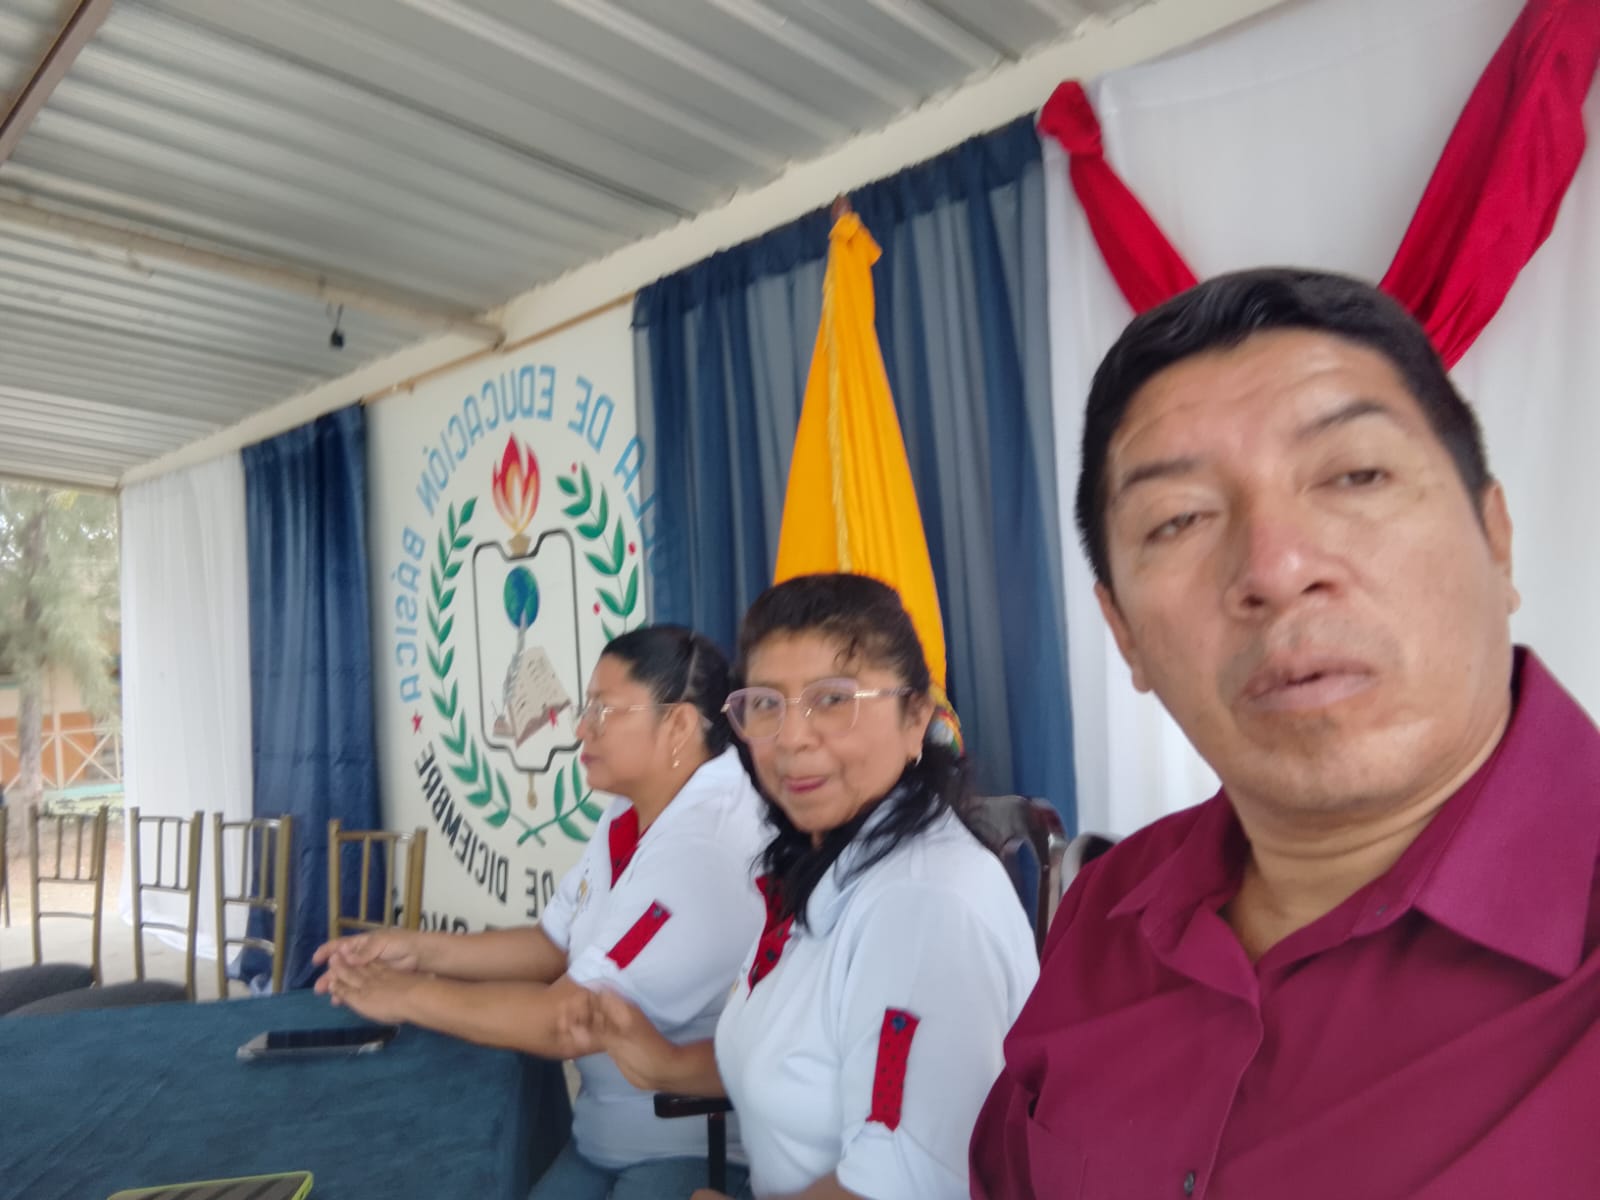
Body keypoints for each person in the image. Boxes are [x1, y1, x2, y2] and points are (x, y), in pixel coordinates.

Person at [970, 268, 1600, 1199]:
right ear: (1124, 633)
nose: (1275, 567)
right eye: (1179, 519)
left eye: (1355, 474)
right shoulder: (1107, 910)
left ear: (1494, 536)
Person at [570, 573, 1039, 1200]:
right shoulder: (822, 862)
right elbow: (807, 1056)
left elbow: (902, 1185)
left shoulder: (922, 906)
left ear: (915, 719)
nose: (791, 737)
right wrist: (666, 1064)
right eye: (766, 703)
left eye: (833, 699)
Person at [314, 625, 768, 1200]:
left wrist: (406, 995)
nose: (580, 729)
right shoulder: (633, 811)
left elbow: (565, 1021)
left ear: (677, 725)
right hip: (607, 1136)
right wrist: (417, 949)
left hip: (691, 1154)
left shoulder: (706, 841)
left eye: (603, 711)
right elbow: (553, 944)